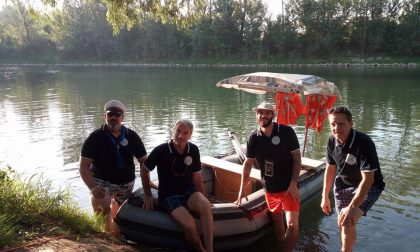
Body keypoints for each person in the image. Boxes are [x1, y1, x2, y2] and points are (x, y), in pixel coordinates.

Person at [236, 102, 302, 252]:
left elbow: (297, 159)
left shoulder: (286, 132)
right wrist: (242, 189)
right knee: (278, 224)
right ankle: (281, 246)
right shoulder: (254, 137)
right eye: (260, 112)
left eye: (266, 113)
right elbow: (248, 164)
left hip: (288, 187)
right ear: (256, 115)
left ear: (273, 114)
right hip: (270, 188)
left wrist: (293, 183)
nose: (263, 115)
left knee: (292, 225)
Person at [140, 119, 213, 252]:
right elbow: (144, 169)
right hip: (169, 195)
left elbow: (196, 176)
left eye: (185, 133)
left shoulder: (193, 149)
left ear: (190, 135)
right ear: (173, 131)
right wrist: (148, 194)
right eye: (178, 131)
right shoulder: (161, 150)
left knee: (205, 205)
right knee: (190, 225)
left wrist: (203, 196)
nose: (180, 136)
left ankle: (210, 249)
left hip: (189, 191)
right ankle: (201, 250)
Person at [321, 106, 385, 252]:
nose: (337, 128)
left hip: (370, 186)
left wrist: (351, 207)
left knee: (347, 220)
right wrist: (325, 195)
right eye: (333, 124)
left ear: (351, 123)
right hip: (343, 183)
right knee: (343, 222)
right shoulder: (332, 140)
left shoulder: (364, 142)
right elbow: (330, 168)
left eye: (341, 124)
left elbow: (368, 179)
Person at [79, 100, 147, 235]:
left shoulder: (131, 136)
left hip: (126, 185)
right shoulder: (95, 137)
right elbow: (83, 166)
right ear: (105, 116)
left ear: (122, 117)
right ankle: (105, 239)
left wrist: (147, 186)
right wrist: (92, 186)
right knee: (102, 205)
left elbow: (144, 162)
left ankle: (116, 236)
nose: (113, 117)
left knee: (119, 218)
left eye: (117, 114)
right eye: (110, 114)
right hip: (102, 182)